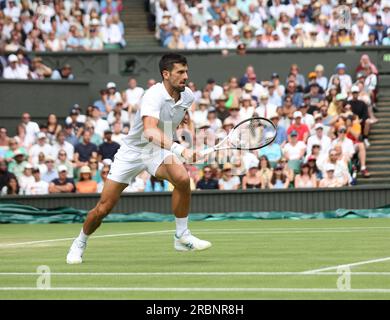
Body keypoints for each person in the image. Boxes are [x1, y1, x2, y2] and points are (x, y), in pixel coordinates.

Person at [66, 54, 211, 264]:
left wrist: (188, 144)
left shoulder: (187, 96)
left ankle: (181, 235)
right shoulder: (153, 95)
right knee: (103, 208)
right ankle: (79, 242)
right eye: (180, 72)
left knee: (181, 178)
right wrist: (181, 150)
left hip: (158, 150)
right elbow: (150, 131)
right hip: (132, 152)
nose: (185, 76)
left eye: (186, 71)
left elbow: (172, 123)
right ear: (166, 74)